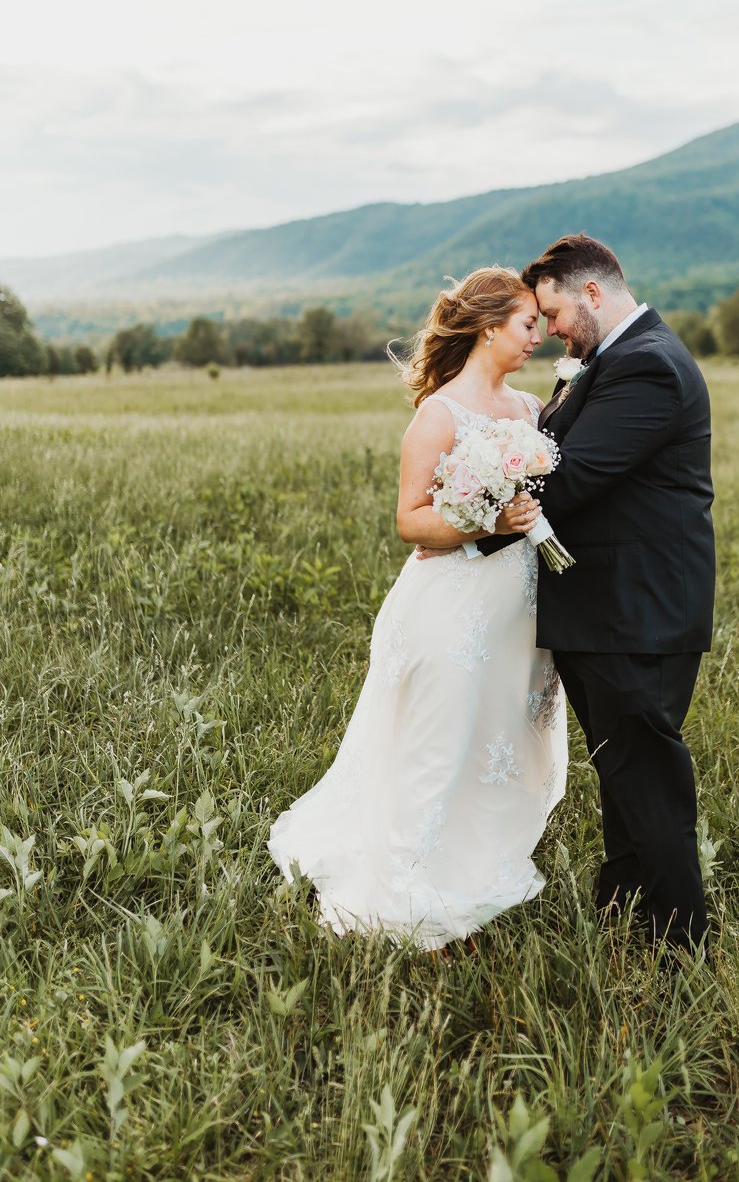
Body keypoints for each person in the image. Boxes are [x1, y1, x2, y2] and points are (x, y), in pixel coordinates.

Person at [420, 235, 715, 952]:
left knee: (648, 780)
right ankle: (625, 915)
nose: (549, 328)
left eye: (552, 311)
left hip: (636, 612)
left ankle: (682, 944)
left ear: (590, 293)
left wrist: (466, 525)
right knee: (623, 772)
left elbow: (573, 477)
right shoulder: (610, 361)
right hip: (607, 610)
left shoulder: (645, 365)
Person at [267, 267, 568, 952]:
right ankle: (409, 880)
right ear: (490, 328)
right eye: (526, 324)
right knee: (441, 739)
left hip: (518, 609)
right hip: (451, 605)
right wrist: (488, 520)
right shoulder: (438, 414)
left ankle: (484, 853)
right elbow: (410, 521)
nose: (537, 336)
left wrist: (527, 514)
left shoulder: (528, 412)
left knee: (504, 734)